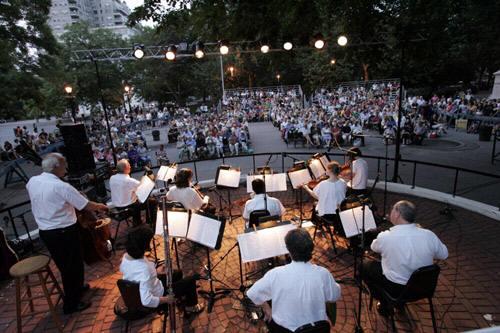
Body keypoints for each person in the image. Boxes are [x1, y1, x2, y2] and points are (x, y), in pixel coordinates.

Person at [26, 153, 108, 314]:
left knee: (66, 264)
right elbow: (85, 205)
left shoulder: (33, 181)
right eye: (64, 165)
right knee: (72, 266)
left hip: (46, 232)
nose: (66, 168)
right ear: (55, 167)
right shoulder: (61, 186)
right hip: (63, 231)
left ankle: (77, 288)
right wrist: (101, 206)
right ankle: (71, 304)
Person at [362, 200, 448, 315]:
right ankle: (400, 303)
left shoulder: (386, 236)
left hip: (395, 288)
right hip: (422, 287)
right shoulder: (428, 235)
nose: (390, 212)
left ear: (397, 214)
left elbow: (374, 247)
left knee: (364, 265)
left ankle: (385, 302)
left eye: (392, 209)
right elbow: (444, 254)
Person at [246, 228, 341, 332]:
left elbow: (252, 293)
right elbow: (334, 296)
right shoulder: (323, 274)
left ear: (289, 251)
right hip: (317, 329)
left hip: (283, 330)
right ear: (311, 249)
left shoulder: (275, 274)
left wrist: (267, 308)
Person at [119, 225, 204, 314]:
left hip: (152, 285)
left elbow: (137, 276)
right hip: (158, 294)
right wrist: (166, 299)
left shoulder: (126, 257)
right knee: (190, 281)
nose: (151, 243)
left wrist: (156, 272)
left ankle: (182, 297)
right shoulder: (144, 269)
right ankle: (191, 307)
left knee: (178, 273)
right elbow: (146, 300)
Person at [302, 161, 347, 234]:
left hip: (328, 214)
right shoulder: (343, 182)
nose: (325, 171)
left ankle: (318, 223)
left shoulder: (323, 184)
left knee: (316, 203)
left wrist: (306, 188)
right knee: (319, 203)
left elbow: (315, 195)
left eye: (326, 169)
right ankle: (330, 226)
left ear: (330, 171)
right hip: (340, 212)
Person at [109, 159, 142, 225]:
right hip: (127, 208)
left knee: (135, 198)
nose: (130, 167)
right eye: (129, 165)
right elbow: (142, 187)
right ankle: (137, 223)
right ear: (125, 168)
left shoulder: (112, 177)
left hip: (116, 206)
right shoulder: (128, 180)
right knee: (148, 201)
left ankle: (137, 221)